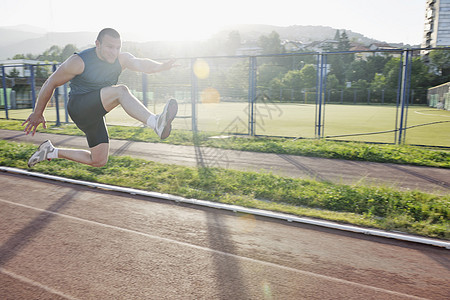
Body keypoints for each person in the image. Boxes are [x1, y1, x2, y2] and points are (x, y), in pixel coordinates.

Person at [23, 28, 178, 168]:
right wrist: (38, 112)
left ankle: (50, 151)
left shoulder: (121, 59)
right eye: (109, 47)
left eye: (118, 47)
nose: (114, 52)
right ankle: (156, 122)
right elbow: (51, 82)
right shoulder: (79, 62)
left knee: (98, 160)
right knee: (121, 91)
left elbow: (140, 64)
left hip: (95, 114)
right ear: (98, 44)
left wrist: (160, 67)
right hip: (79, 106)